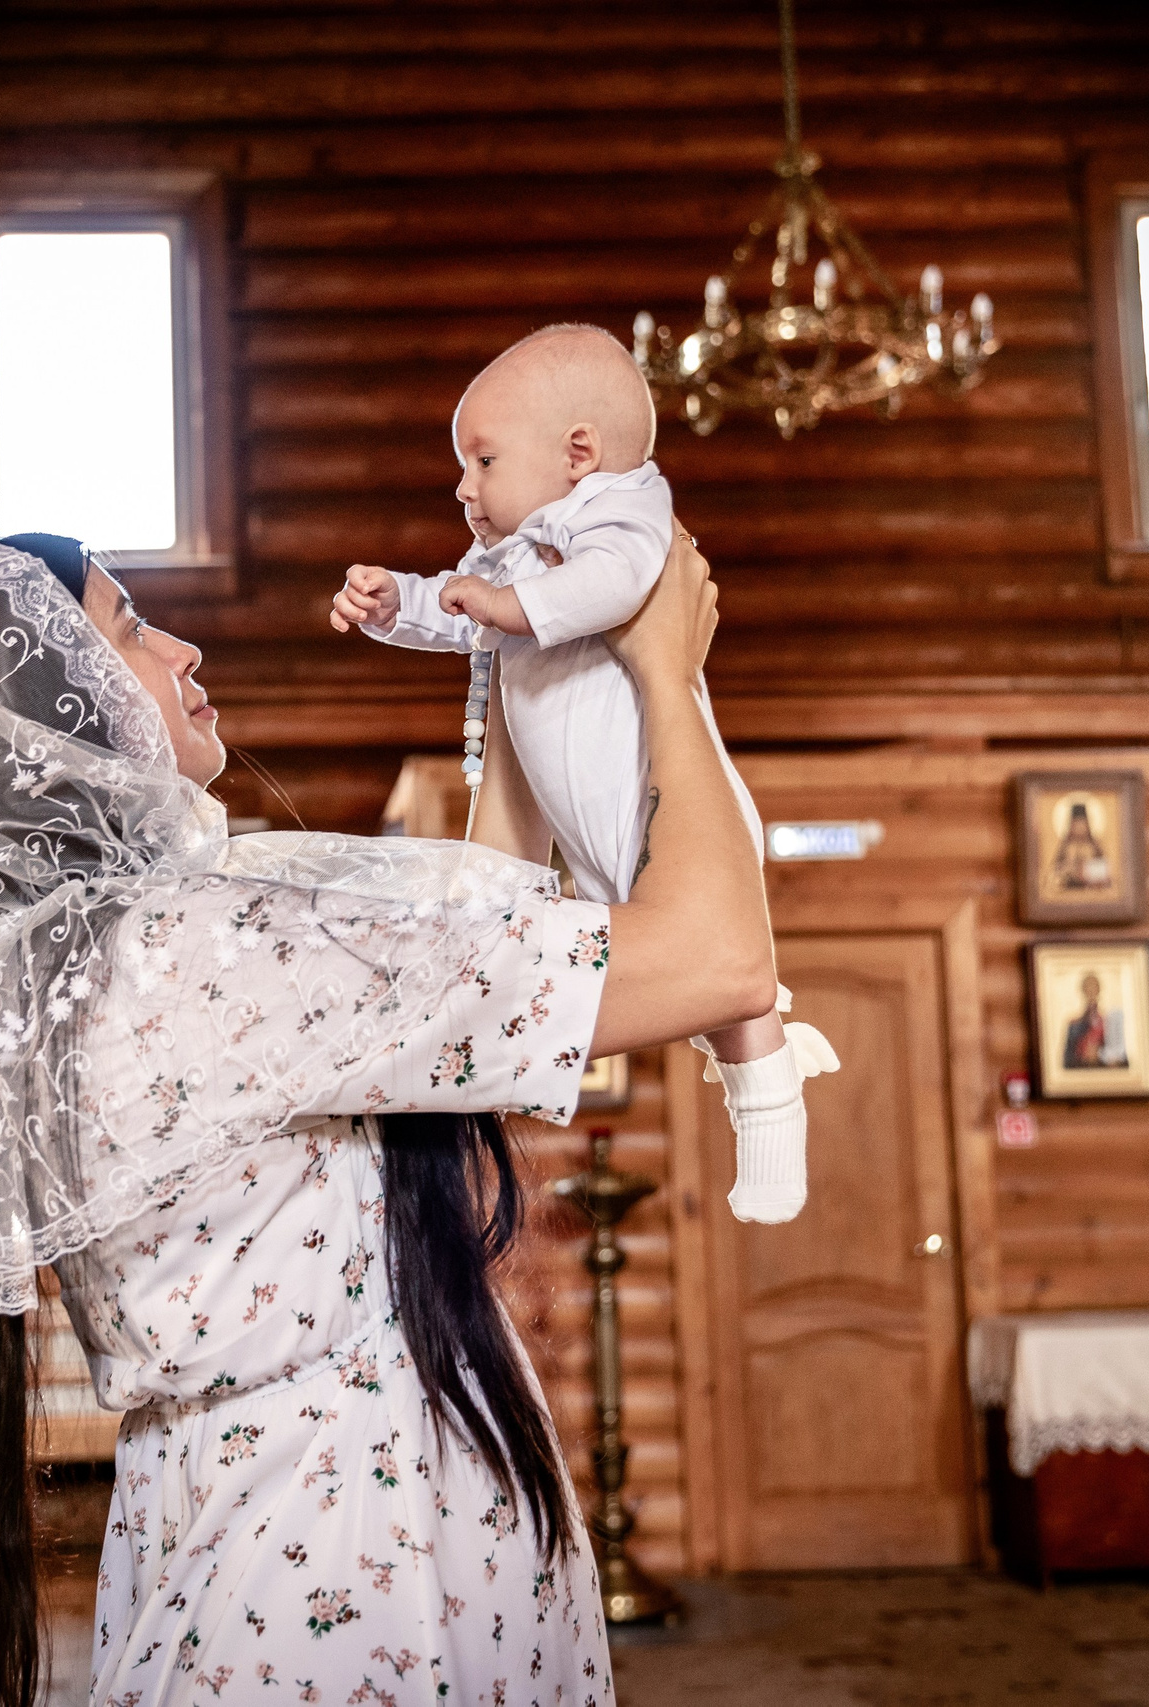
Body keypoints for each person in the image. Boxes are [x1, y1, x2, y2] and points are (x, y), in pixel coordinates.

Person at [0, 525, 773, 1707]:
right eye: (129, 627)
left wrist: (514, 670)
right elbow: (723, 963)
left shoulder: (64, 971)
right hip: (355, 1537)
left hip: (238, 1513)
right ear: (55, 709)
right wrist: (668, 673)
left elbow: (455, 969)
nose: (183, 645)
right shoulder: (197, 950)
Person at [327, 323, 830, 1224]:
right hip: (577, 828)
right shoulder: (515, 554)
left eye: (481, 461)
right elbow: (460, 609)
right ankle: (757, 1077)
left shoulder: (624, 512)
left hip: (653, 804)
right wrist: (393, 603)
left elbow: (614, 588)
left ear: (579, 455)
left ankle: (769, 1111)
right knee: (666, 978)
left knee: (732, 994)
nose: (463, 485)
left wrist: (507, 605)